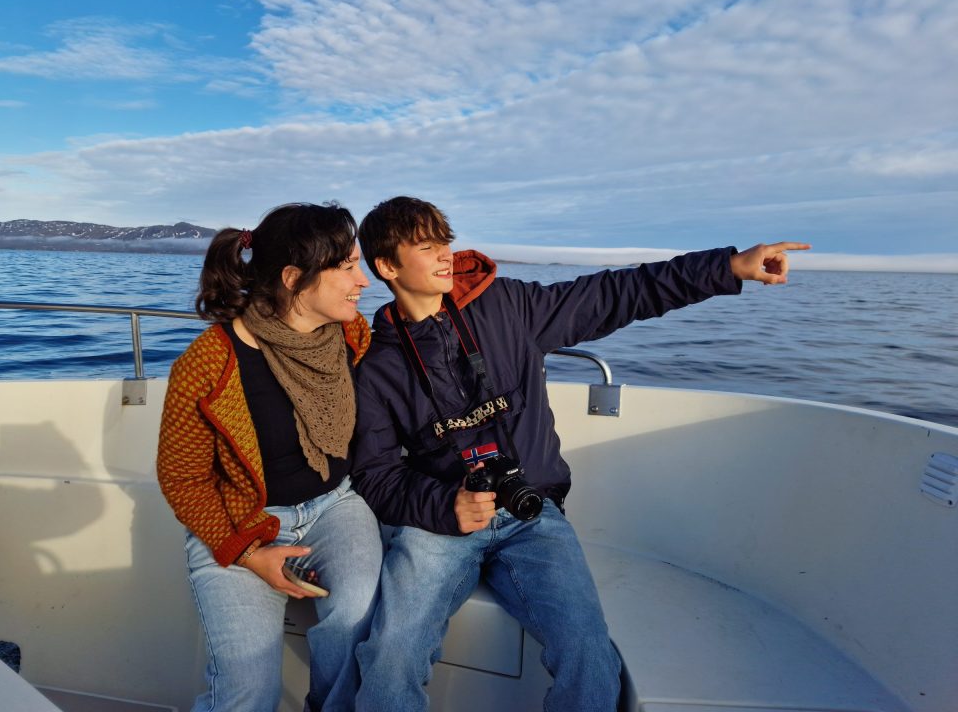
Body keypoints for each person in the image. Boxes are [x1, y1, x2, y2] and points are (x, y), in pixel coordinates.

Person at [350, 195, 810, 711]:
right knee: (390, 657)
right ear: (387, 266)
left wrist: (725, 267)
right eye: (427, 246)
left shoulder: (507, 308)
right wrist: (446, 505)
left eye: (446, 243)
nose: (445, 257)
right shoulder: (375, 367)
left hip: (531, 514)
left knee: (590, 655)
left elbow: (617, 293)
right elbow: (375, 474)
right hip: (438, 526)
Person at [156, 202, 382, 712]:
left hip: (335, 506)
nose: (362, 281)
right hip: (240, 522)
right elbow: (182, 478)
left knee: (355, 626)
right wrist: (250, 553)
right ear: (293, 278)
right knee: (248, 692)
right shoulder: (208, 362)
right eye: (347, 266)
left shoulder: (349, 336)